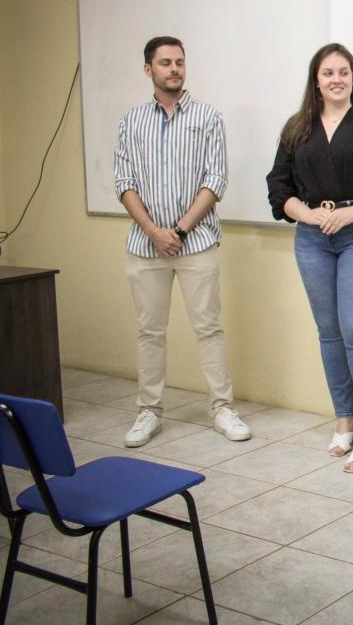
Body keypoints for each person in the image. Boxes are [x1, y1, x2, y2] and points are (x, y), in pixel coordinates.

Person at [266, 43, 353, 473]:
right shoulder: (296, 129)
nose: (337, 79)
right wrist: (308, 214)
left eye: (344, 72)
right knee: (329, 332)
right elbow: (278, 187)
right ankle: (345, 419)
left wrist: (350, 213)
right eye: (328, 73)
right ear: (316, 81)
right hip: (312, 238)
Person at [114, 36, 252, 448]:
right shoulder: (131, 121)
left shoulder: (208, 116)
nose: (174, 69)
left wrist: (178, 230)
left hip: (196, 242)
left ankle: (222, 408)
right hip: (145, 246)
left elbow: (216, 179)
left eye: (179, 62)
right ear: (148, 70)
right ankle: (148, 410)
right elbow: (124, 182)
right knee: (149, 331)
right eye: (165, 63)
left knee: (208, 328)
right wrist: (154, 232)